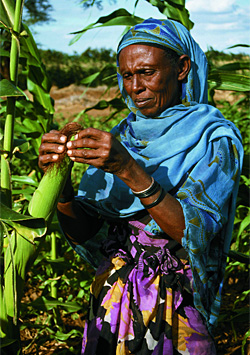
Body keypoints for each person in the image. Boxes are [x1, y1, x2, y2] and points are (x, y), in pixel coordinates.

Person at [38, 18, 243, 355]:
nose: (135, 87)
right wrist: (59, 185)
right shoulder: (121, 137)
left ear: (181, 68)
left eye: (147, 72)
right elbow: (84, 231)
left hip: (176, 305)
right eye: (126, 75)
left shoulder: (215, 139)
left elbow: (192, 232)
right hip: (111, 301)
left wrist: (129, 170)